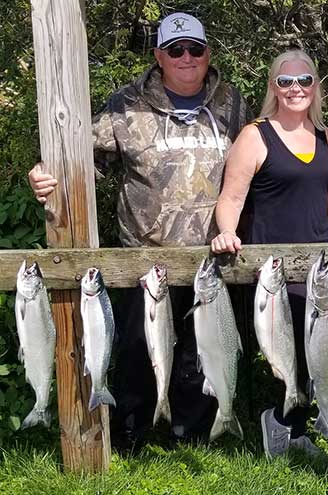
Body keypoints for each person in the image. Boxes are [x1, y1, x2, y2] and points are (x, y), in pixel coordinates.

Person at [28, 12, 250, 450]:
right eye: (175, 49)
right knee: (134, 350)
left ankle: (194, 432)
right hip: (142, 258)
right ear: (158, 56)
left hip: (212, 258)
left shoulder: (232, 105)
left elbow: (260, 164)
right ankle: (131, 429)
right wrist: (45, 174)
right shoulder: (126, 104)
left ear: (208, 54)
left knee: (198, 352)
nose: (186, 57)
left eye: (195, 49)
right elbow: (80, 159)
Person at [210, 49, 328, 458]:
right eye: (285, 81)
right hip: (273, 270)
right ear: (273, 87)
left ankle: (297, 431)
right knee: (281, 353)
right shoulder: (255, 135)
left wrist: (320, 219)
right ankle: (278, 425)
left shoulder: (324, 135)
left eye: (304, 80)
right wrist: (227, 232)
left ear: (315, 86)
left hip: (320, 265)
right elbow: (231, 197)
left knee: (318, 352)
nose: (295, 88)